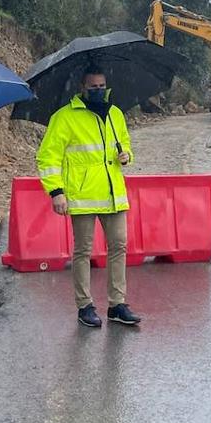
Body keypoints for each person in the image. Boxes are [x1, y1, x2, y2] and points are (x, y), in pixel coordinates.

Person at [37, 64, 141, 328]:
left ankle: (117, 304)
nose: (98, 90)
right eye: (93, 86)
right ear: (82, 87)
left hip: (113, 194)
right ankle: (84, 306)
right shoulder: (65, 117)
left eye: (101, 86)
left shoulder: (115, 113)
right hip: (82, 196)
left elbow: (126, 142)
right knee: (83, 251)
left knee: (119, 247)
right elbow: (47, 157)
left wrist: (126, 155)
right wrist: (56, 191)